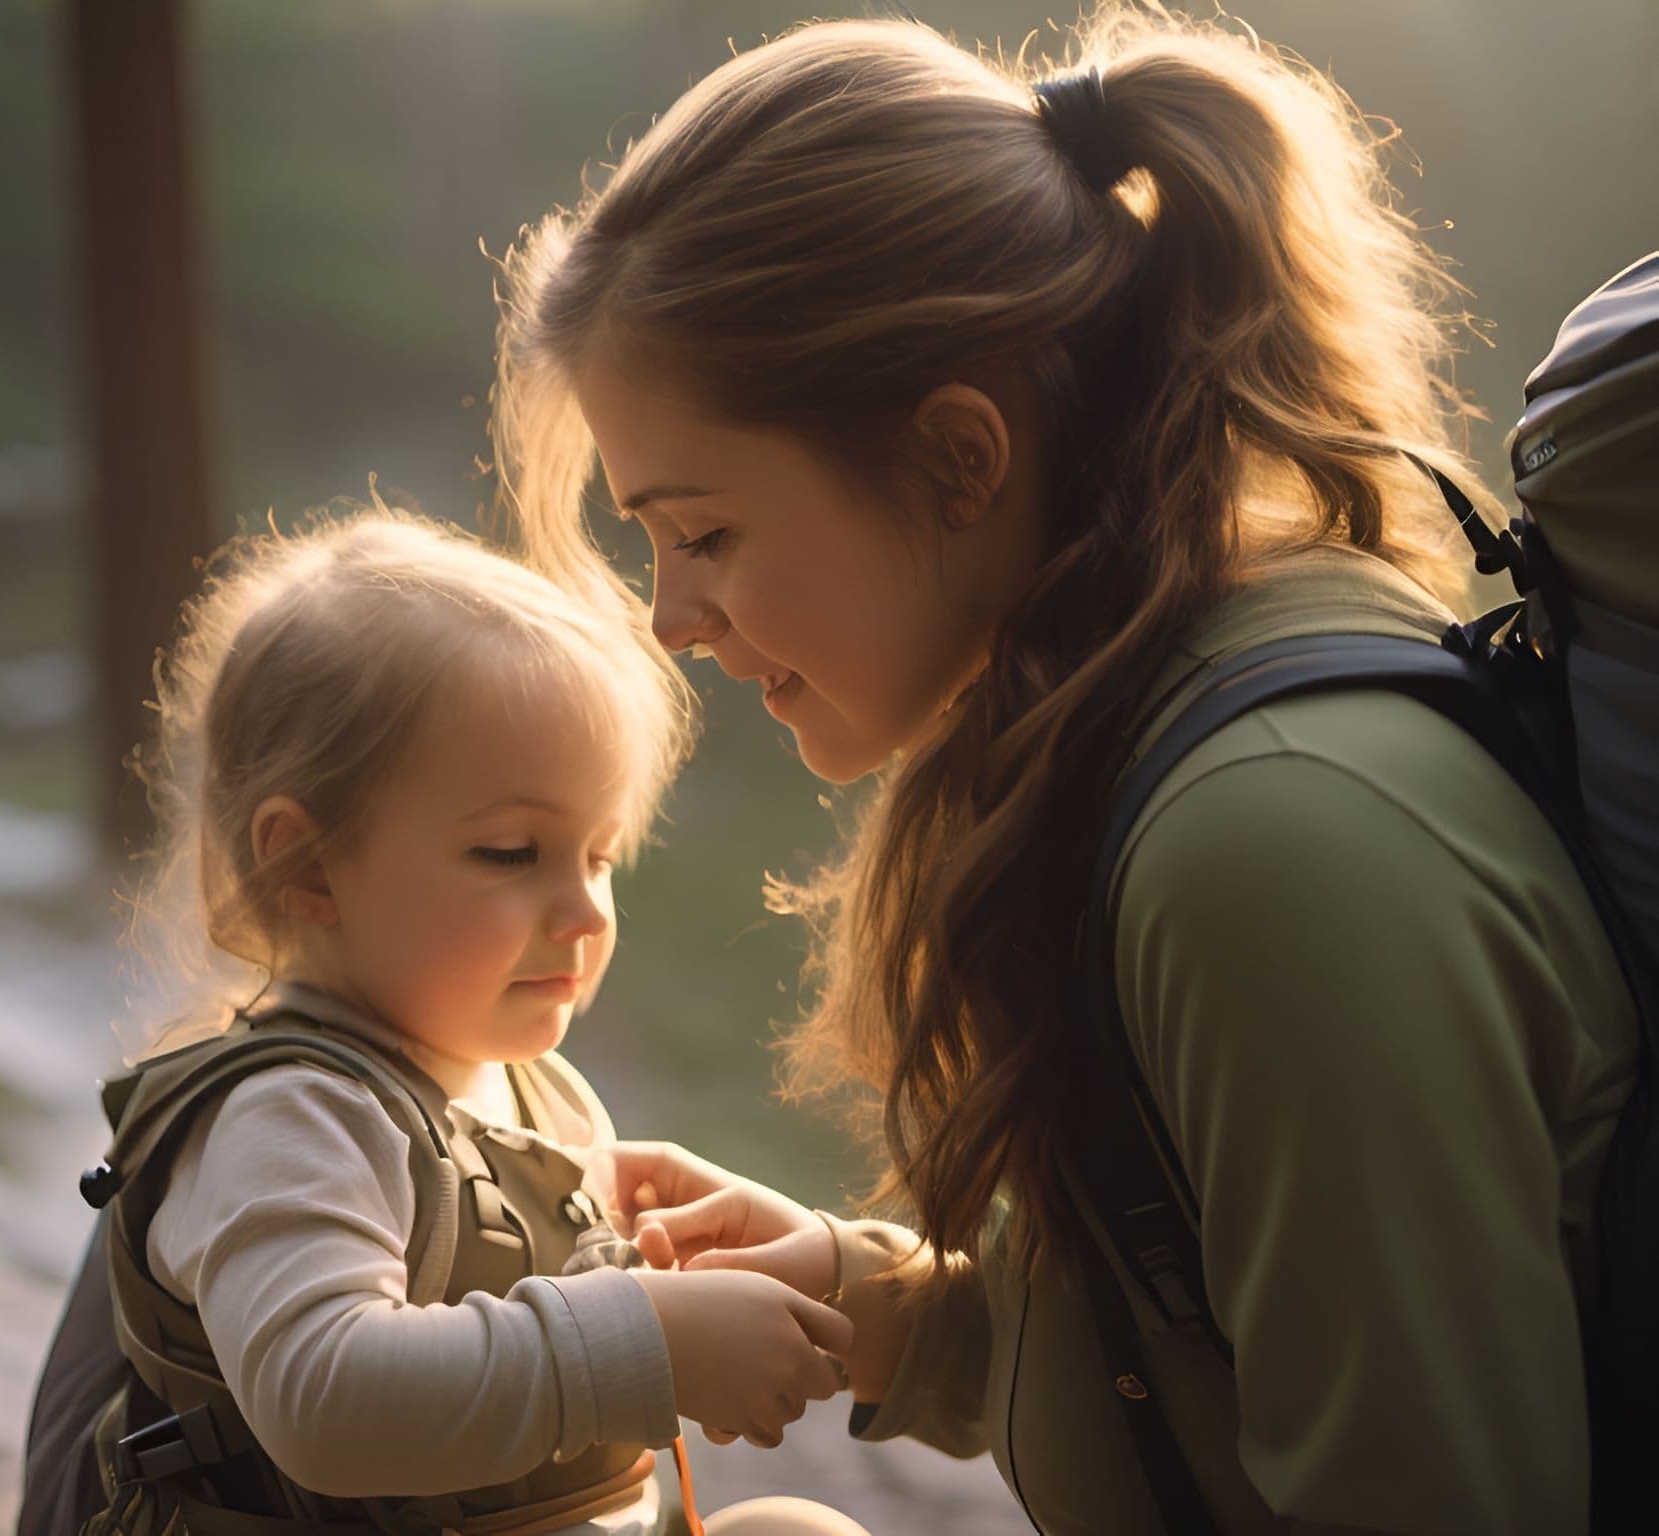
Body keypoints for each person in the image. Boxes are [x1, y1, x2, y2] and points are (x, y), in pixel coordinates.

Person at [486, 5, 1638, 1533]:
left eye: (705, 531)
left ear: (963, 459)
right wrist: (885, 1310)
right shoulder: (1154, 727)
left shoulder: (1268, 849)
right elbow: (1205, 1355)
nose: (669, 619)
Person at [37, 510, 864, 1536]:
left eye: (600, 856)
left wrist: (666, 1282)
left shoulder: (537, 1094)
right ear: (305, 867)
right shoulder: (288, 1118)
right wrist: (640, 1338)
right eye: (513, 853)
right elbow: (325, 1400)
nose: (585, 911)